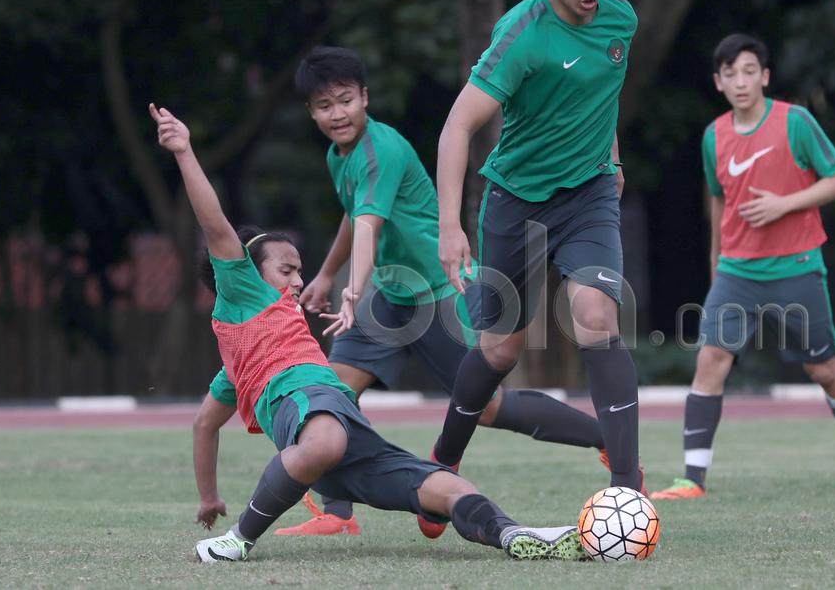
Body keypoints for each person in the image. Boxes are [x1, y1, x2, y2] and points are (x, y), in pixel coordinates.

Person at [148, 104, 584, 562]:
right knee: (326, 440)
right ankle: (238, 539)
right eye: (287, 270)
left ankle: (515, 535)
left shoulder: (237, 364)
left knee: (449, 486)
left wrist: (207, 497)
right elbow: (216, 226)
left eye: (300, 271)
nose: (299, 280)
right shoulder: (242, 293)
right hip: (317, 425)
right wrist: (184, 152)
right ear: (245, 276)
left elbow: (204, 425)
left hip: (340, 433)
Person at [279, 46, 609, 538]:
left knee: (488, 406)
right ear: (311, 112)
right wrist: (328, 275)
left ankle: (609, 440)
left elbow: (369, 224)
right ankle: (338, 514)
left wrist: (351, 288)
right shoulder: (338, 155)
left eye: (345, 100)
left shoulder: (380, 151)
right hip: (392, 297)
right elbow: (355, 213)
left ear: (365, 98)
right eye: (325, 106)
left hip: (439, 292)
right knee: (331, 395)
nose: (337, 114)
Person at [430, 0, 643, 493]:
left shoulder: (620, 21)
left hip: (590, 196)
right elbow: (456, 127)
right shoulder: (521, 35)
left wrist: (614, 158)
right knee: (500, 350)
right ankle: (443, 461)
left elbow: (604, 92)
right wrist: (451, 227)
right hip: (516, 201)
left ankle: (628, 488)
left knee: (597, 316)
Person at [650, 34, 835, 500]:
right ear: (718, 82)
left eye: (749, 71)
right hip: (736, 272)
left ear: (766, 77)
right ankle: (692, 479)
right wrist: (717, 262)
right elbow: (719, 202)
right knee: (710, 362)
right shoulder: (713, 136)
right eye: (730, 73)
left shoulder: (796, 122)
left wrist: (784, 205)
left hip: (796, 268)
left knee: (824, 370)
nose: (741, 81)